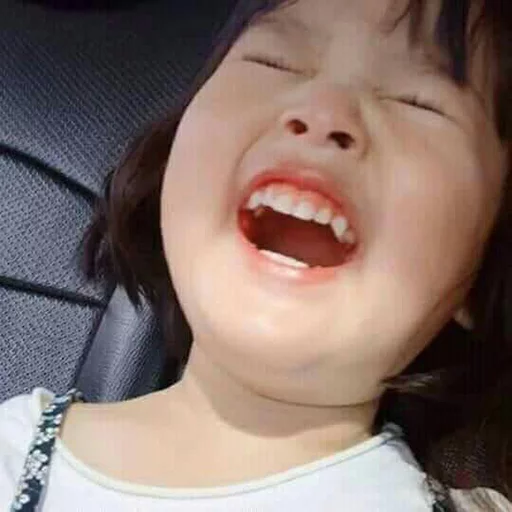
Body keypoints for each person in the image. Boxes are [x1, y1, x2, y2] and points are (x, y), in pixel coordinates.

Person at [1, 0, 511, 510]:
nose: (322, 112)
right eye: (275, 62)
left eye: (417, 101)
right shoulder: (13, 453)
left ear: (488, 261)